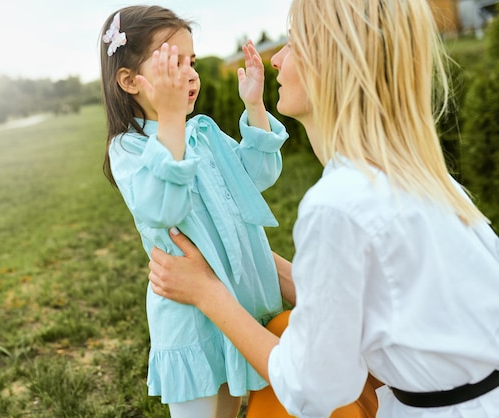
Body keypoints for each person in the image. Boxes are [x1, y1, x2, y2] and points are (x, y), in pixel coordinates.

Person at [147, 0, 499, 417]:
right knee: (283, 325)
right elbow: (370, 299)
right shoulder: (424, 179)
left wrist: (208, 292)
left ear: (332, 63)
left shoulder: (339, 205)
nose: (276, 58)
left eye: (293, 43)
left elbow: (310, 388)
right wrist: (242, 252)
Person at [99, 6, 291, 418]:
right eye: (172, 63)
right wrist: (169, 117)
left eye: (191, 62)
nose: (188, 74)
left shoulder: (201, 131)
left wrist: (254, 105)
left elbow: (256, 176)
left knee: (233, 405)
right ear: (129, 81)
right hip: (191, 315)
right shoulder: (129, 149)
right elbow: (163, 208)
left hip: (236, 300)